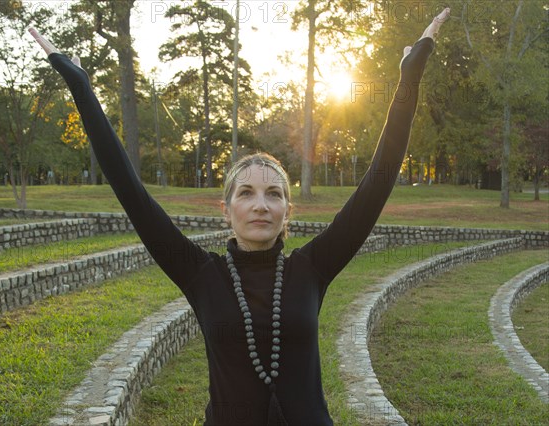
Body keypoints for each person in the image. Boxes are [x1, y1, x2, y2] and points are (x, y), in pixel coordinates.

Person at [30, 8, 449, 425]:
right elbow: (130, 190)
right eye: (246, 193)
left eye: (274, 194)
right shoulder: (200, 274)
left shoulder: (312, 268)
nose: (260, 205)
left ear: (287, 211)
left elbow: (377, 182)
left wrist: (408, 81)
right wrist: (81, 88)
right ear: (227, 210)